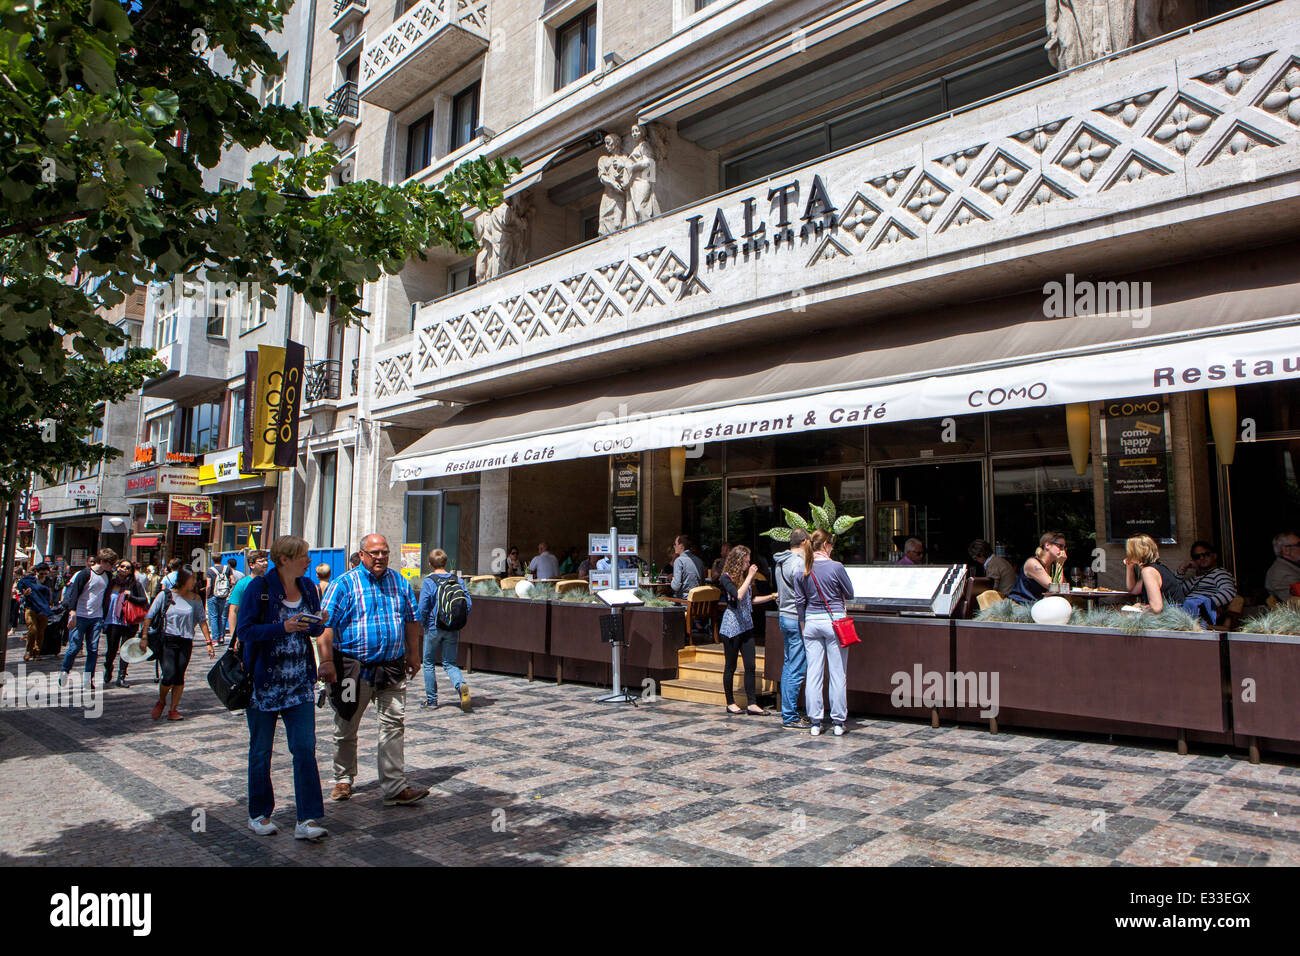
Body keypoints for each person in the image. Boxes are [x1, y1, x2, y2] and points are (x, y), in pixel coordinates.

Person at [319, 534, 428, 807]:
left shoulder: (399, 582)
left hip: (392, 667)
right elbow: (325, 624)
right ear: (362, 554)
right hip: (352, 670)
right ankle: (343, 778)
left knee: (393, 725)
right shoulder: (343, 584)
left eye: (385, 553)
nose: (380, 557)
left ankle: (394, 786)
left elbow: (412, 619)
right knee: (346, 723)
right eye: (375, 553)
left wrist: (414, 654)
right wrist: (326, 661)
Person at [236, 535, 329, 840]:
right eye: (303, 556)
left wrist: (318, 621)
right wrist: (282, 627)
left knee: (304, 748)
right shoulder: (259, 588)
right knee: (261, 751)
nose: (309, 561)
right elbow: (245, 631)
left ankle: (308, 818)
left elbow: (313, 630)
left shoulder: (307, 588)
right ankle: (259, 813)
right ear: (285, 559)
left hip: (300, 682)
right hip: (264, 683)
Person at [795, 529, 856, 737]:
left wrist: (803, 625)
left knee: (814, 673)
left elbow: (799, 601)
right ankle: (838, 722)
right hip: (834, 621)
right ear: (826, 545)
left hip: (811, 622)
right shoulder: (836, 567)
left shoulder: (803, 568)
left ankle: (815, 721)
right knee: (838, 674)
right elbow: (850, 593)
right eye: (831, 545)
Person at [141, 567, 214, 720]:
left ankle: (173, 709)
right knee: (169, 675)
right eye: (191, 579)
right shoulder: (165, 595)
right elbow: (149, 616)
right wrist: (144, 637)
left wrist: (209, 642)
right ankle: (161, 701)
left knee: (179, 676)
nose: (194, 582)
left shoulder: (195, 599)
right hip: (167, 639)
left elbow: (202, 621)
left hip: (186, 641)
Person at [717, 545, 776, 716]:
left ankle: (752, 703)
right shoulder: (726, 578)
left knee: (750, 665)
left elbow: (750, 599)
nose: (748, 564)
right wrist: (750, 576)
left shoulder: (744, 577)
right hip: (732, 626)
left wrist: (772, 596)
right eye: (746, 561)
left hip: (746, 625)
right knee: (731, 665)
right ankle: (730, 702)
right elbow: (738, 595)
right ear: (738, 561)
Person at [416, 549, 472, 712]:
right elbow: (468, 604)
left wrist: (425, 623)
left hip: (434, 627)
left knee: (428, 663)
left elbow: (423, 607)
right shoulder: (457, 580)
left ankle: (432, 700)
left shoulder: (429, 581)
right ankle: (461, 686)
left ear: (430, 564)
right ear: (446, 563)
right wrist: (456, 619)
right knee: (450, 663)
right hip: (453, 627)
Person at [59, 548, 117, 687]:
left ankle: (87, 679)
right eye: (111, 563)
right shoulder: (85, 574)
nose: (112, 567)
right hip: (80, 615)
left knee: (93, 648)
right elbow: (74, 593)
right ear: (102, 561)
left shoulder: (108, 576)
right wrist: (72, 612)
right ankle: (65, 671)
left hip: (96, 617)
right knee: (74, 647)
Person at [774, 530, 810, 730]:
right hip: (796, 618)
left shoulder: (780, 561)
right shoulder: (797, 562)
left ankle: (788, 710)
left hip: (783, 616)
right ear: (804, 542)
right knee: (796, 667)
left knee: (789, 664)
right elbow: (802, 592)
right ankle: (790, 715)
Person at [101, 559, 147, 688]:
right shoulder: (110, 583)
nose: (125, 569)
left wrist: (130, 596)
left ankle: (121, 676)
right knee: (111, 649)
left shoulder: (135, 584)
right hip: (112, 621)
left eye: (128, 568)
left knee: (125, 650)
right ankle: (108, 667)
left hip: (128, 622)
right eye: (122, 566)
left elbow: (144, 600)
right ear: (117, 568)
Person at [1174, 540, 1237, 621]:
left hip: (1200, 616)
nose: (1202, 558)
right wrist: (1182, 570)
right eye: (1197, 556)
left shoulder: (1220, 573)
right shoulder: (1194, 579)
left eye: (1206, 554)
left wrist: (1205, 605)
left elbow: (1228, 591)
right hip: (1185, 612)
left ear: (1214, 556)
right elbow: (1174, 592)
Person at [1008, 532, 1068, 605]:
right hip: (1020, 607)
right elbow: (1055, 588)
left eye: (1064, 547)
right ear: (1047, 545)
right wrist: (1060, 564)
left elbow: (1063, 589)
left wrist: (1059, 565)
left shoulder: (1053, 567)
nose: (1063, 551)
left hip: (1038, 607)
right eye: (1060, 546)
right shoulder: (1033, 563)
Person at [1124, 534, 1179, 613]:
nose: (1128, 554)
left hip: (1170, 618)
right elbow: (1133, 590)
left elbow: (1156, 607)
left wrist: (1140, 606)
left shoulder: (1148, 571)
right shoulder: (1156, 568)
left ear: (1136, 552)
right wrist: (1129, 567)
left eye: (1129, 551)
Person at [227, 550, 270, 640]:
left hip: (267, 632)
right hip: (249, 633)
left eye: (266, 560)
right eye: (261, 561)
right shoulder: (242, 584)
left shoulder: (271, 583)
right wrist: (234, 638)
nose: (265, 563)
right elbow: (233, 610)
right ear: (251, 565)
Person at [17, 562, 52, 662]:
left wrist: (51, 603)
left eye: (46, 574)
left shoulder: (48, 581)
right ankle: (28, 651)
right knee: (33, 630)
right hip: (31, 608)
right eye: (41, 574)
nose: (43, 576)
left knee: (40, 632)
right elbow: (20, 585)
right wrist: (24, 592)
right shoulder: (30, 580)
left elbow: (50, 592)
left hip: (44, 610)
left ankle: (36, 653)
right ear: (36, 572)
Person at [206, 557, 242, 646]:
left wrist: (207, 596)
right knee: (222, 616)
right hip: (224, 596)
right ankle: (221, 637)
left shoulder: (210, 571)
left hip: (213, 596)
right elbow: (233, 581)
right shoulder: (227, 569)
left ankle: (215, 639)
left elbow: (209, 585)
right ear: (221, 559)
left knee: (214, 617)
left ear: (213, 560)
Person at [1265, 531, 1300, 602]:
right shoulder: (1280, 573)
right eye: (1299, 544)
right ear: (1286, 549)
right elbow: (1294, 604)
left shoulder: (1290, 567)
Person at [670, 535, 708, 599]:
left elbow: (675, 587)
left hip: (684, 602)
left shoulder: (679, 561)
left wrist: (672, 580)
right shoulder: (699, 560)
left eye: (675, 544)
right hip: (698, 601)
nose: (674, 546)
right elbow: (702, 583)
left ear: (681, 546)